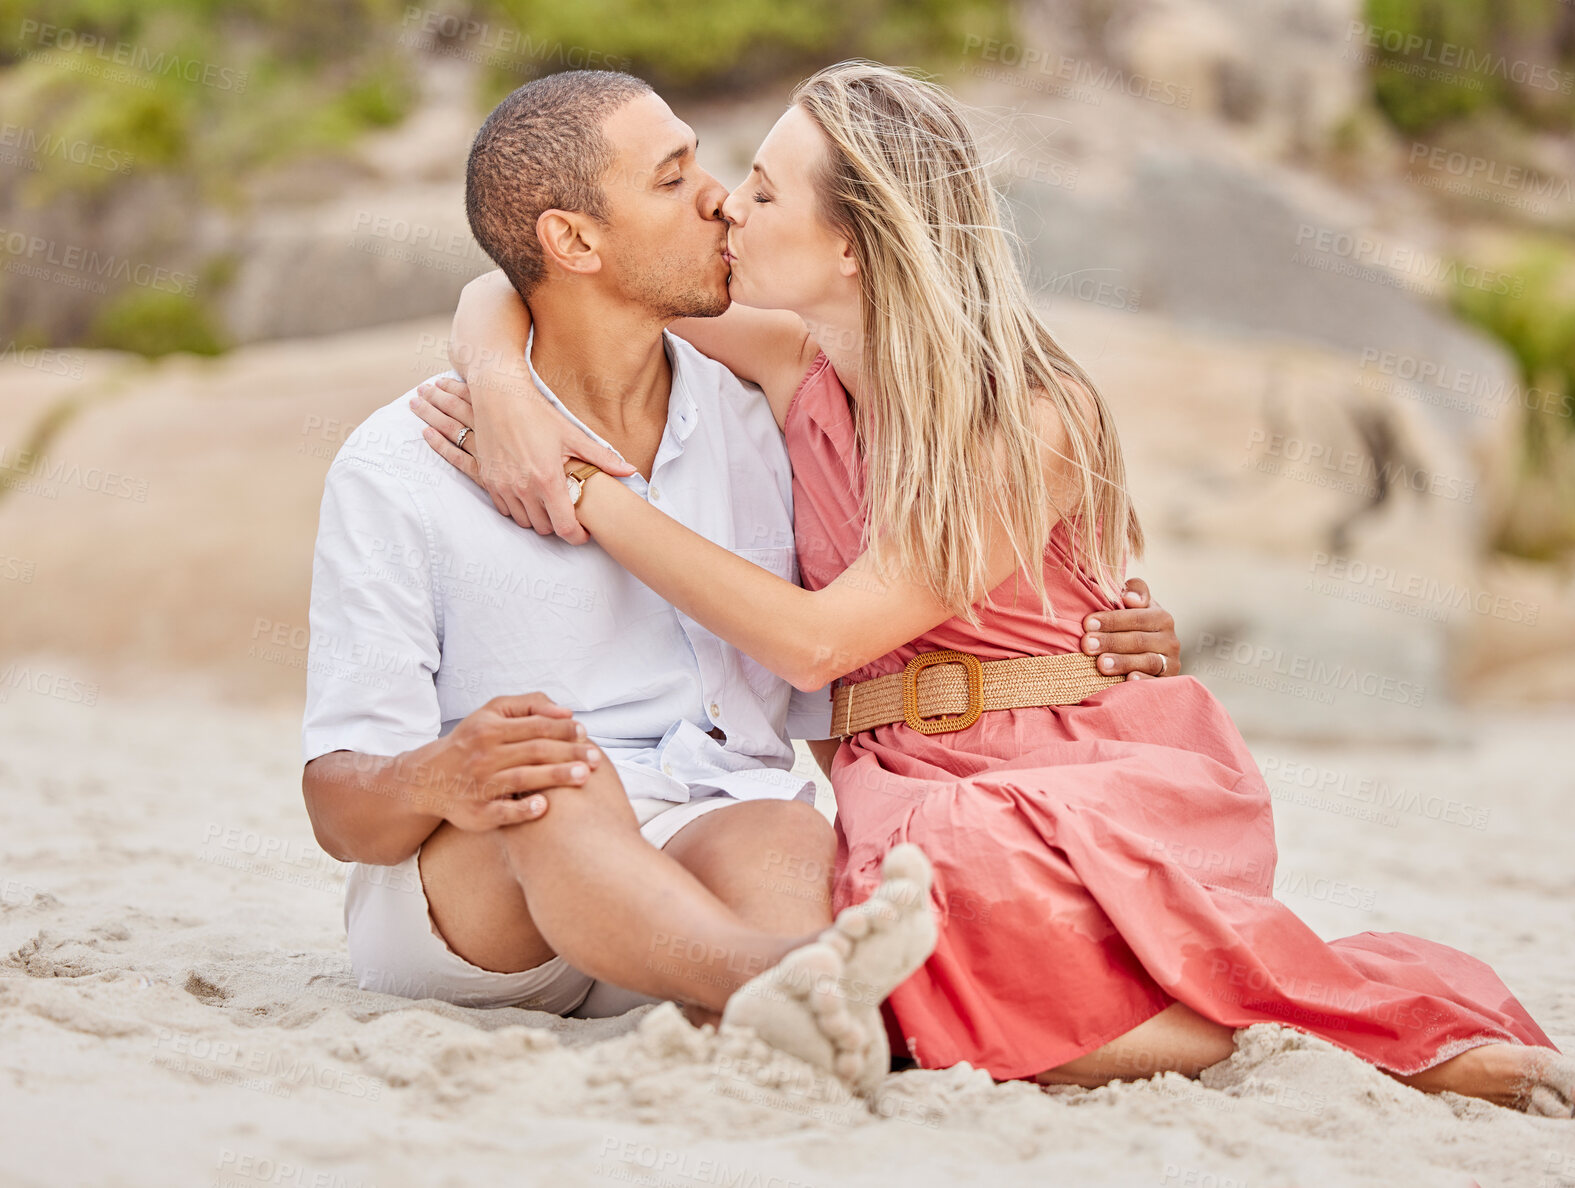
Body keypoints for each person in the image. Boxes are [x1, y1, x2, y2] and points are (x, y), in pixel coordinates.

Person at [415, 62, 1575, 1117]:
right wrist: (497, 381)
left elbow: (820, 645)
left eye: (763, 191)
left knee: (948, 891)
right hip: (904, 777)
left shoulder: (1026, 412)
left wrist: (596, 499)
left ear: (849, 245)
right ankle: (1219, 1025)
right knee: (906, 923)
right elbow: (545, 286)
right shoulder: (790, 362)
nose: (723, 202)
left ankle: (1336, 1035)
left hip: (1071, 760)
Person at [302, 67, 1161, 1092]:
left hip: (703, 834)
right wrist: (439, 775)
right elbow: (337, 807)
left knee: (785, 834)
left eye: (726, 172)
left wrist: (1085, 632)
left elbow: (886, 594)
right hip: (483, 908)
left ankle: (768, 997)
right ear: (574, 239)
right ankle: (788, 982)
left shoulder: (767, 418)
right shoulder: (403, 463)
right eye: (674, 179)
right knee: (558, 775)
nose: (717, 197)